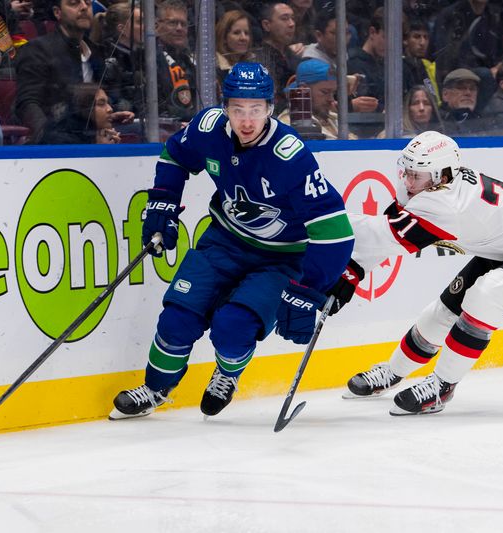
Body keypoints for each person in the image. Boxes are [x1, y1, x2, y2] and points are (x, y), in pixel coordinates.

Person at [109, 62, 355, 420]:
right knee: (178, 318)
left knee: (233, 327)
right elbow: (175, 156)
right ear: (225, 107)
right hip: (224, 242)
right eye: (238, 109)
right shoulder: (208, 128)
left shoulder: (290, 155)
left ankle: (227, 373)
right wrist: (162, 199)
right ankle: (156, 389)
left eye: (256, 110)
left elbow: (334, 231)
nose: (247, 120)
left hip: (280, 259)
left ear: (271, 108)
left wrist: (309, 290)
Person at [342, 131, 503, 415]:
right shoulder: (430, 188)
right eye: (405, 172)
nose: (407, 181)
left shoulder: (446, 206)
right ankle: (393, 372)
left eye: (415, 175)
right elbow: (386, 238)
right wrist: (353, 270)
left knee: (487, 294)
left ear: (441, 176)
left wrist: (325, 232)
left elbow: (378, 236)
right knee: (438, 316)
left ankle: (442, 387)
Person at [15, 0, 108, 142]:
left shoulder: (96, 52)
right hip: (59, 140)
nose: (84, 7)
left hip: (91, 134)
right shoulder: (37, 50)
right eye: (74, 3)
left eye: (88, 3)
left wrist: (111, 115)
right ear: (57, 12)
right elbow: (28, 103)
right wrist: (49, 137)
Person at [278, 58, 357, 140]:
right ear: (304, 90)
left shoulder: (334, 119)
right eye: (325, 92)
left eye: (333, 93)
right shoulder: (288, 124)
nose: (331, 99)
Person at [38, 83, 134, 144]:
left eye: (108, 103)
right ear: (84, 109)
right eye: (101, 104)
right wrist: (100, 151)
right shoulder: (61, 140)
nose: (110, 109)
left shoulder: (87, 132)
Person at [154, 0, 197, 122]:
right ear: (156, 26)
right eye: (173, 23)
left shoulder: (189, 60)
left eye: (183, 24)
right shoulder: (150, 58)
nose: (179, 28)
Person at [254, 2, 299, 113]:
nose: (291, 24)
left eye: (293, 19)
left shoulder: (292, 55)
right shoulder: (258, 59)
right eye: (284, 19)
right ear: (266, 25)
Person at [438, 68, 486, 135]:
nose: (468, 93)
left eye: (472, 89)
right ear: (445, 94)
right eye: (461, 88)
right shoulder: (436, 122)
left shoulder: (484, 120)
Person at [216, 10, 255, 87]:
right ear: (224, 37)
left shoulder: (254, 64)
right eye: (236, 33)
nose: (243, 38)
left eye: (246, 33)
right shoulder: (213, 69)